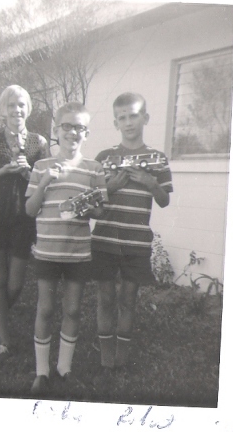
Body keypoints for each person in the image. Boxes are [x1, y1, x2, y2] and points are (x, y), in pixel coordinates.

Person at [25, 102, 107, 395]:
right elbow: (30, 209)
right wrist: (46, 181)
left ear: (87, 133)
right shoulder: (40, 166)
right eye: (67, 126)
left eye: (80, 128)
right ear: (56, 131)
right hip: (47, 251)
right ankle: (42, 371)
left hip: (77, 253)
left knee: (72, 309)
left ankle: (64, 368)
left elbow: (100, 211)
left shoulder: (93, 168)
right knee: (45, 309)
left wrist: (87, 205)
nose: (73, 132)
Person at [91, 92, 173, 381]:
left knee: (128, 299)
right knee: (104, 298)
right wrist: (110, 187)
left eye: (134, 115)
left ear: (145, 118)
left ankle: (121, 360)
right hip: (105, 240)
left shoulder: (157, 159)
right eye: (122, 117)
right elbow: (93, 201)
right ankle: (105, 358)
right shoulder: (104, 158)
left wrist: (151, 182)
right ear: (116, 122)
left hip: (137, 243)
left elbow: (164, 200)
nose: (128, 122)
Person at [0, 85, 50, 357]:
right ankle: (4, 339)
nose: (16, 110)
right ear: (2, 111)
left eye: (21, 105)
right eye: (10, 105)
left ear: (27, 109)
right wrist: (4, 171)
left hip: (23, 216)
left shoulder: (38, 142)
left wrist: (29, 172)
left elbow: (44, 182)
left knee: (15, 283)